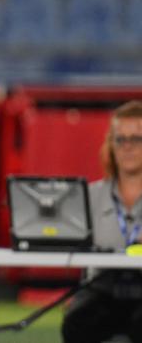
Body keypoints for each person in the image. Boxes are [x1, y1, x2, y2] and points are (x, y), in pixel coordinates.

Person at [61, 101, 142, 343]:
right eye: (120, 139)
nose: (127, 147)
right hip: (100, 291)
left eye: (136, 139)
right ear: (111, 145)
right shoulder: (89, 195)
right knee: (77, 322)